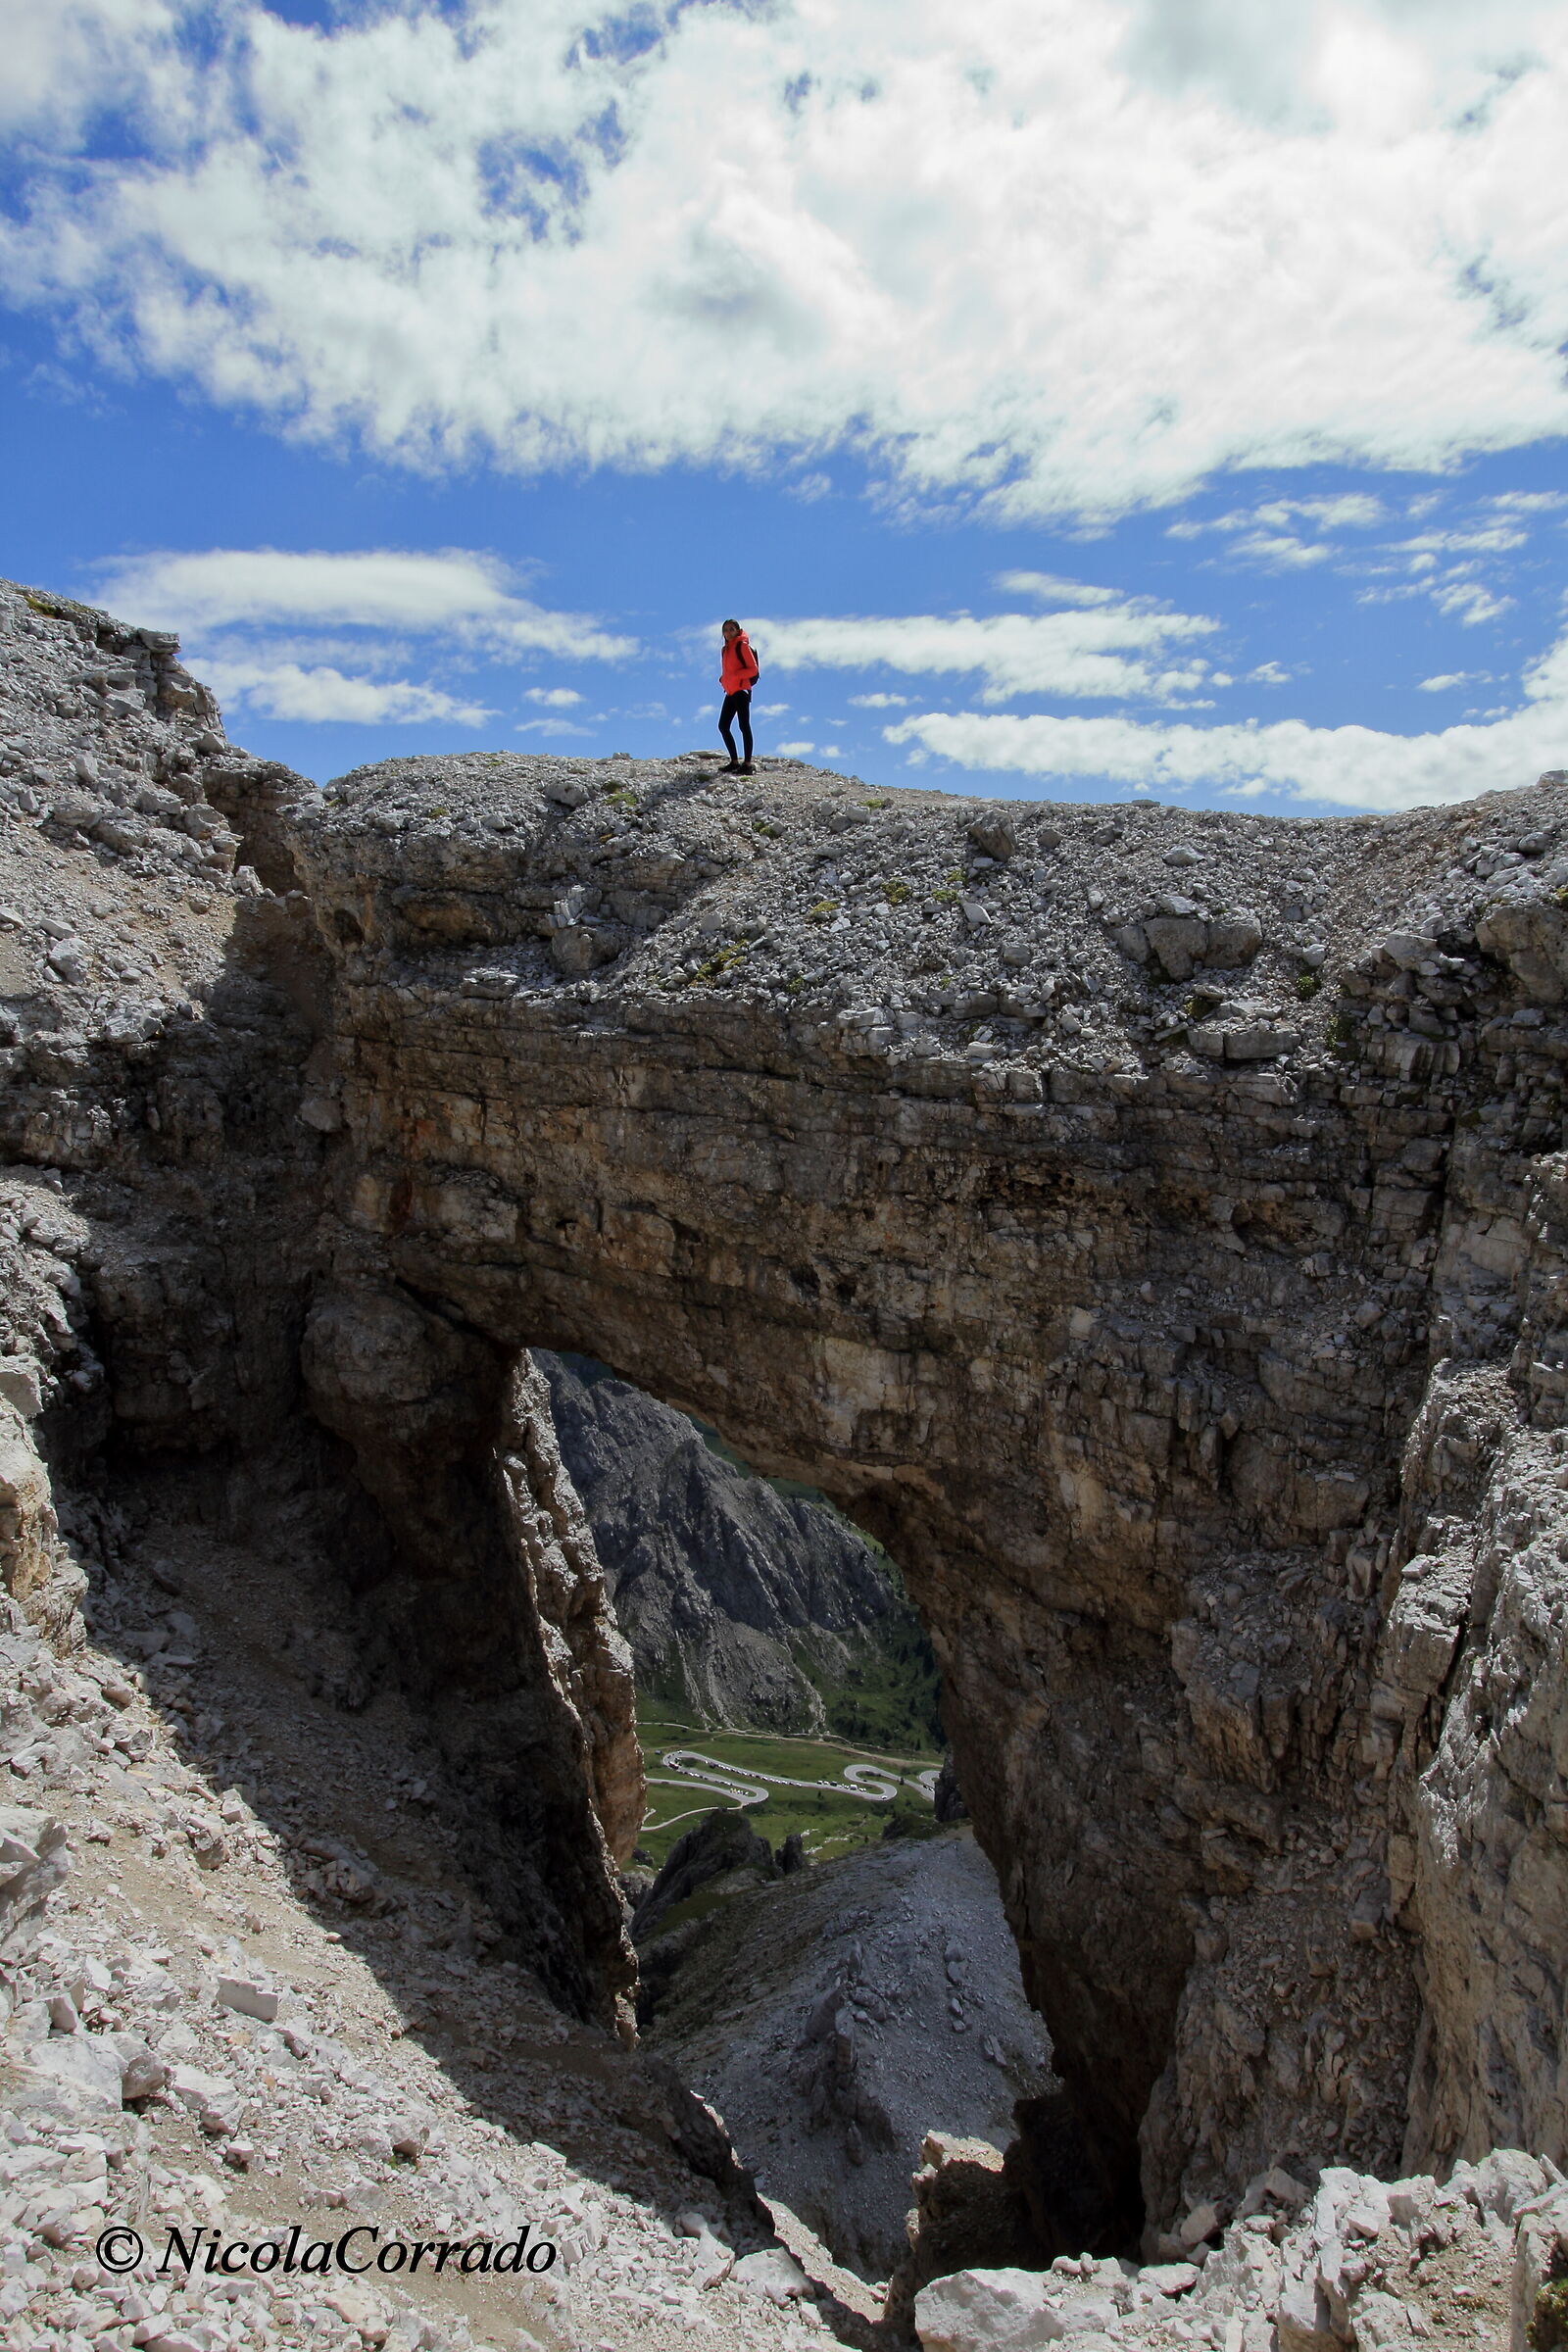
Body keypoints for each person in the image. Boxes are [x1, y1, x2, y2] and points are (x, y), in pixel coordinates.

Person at [718, 618, 759, 774]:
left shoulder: (742, 646)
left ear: (737, 630)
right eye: (726, 630)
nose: (728, 632)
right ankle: (734, 761)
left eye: (731, 629)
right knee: (723, 726)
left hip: (741, 690)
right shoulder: (725, 649)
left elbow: (753, 670)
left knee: (744, 726)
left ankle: (747, 765)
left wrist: (735, 676)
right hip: (730, 691)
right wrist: (724, 679)